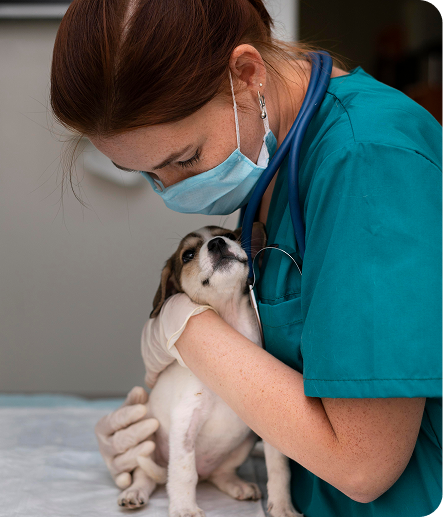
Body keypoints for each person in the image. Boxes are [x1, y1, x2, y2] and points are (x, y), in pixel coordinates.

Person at [50, 1, 443, 516]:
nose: (172, 192)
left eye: (184, 159)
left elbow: (363, 466)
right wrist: (169, 436)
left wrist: (188, 328)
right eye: (146, 174)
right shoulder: (273, 165)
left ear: (247, 73)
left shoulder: (366, 161)